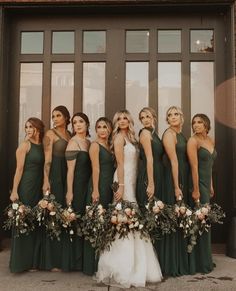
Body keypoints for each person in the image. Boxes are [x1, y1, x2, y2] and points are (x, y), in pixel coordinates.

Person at [96, 110, 162, 288]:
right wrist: (122, 187)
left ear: (129, 121)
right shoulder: (118, 138)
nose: (123, 121)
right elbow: (120, 163)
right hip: (123, 181)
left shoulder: (132, 138)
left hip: (132, 181)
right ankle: (123, 267)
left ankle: (137, 265)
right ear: (116, 121)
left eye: (126, 118)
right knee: (125, 219)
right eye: (119, 118)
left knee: (131, 220)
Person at [9, 117, 45, 273]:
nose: (29, 130)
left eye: (31, 127)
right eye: (26, 127)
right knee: (24, 221)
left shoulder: (42, 145)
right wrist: (15, 190)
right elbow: (19, 169)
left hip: (38, 187)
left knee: (35, 222)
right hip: (26, 186)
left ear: (38, 128)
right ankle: (20, 263)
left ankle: (32, 262)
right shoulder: (25, 145)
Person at [40, 105, 71, 271]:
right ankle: (52, 261)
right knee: (54, 213)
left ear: (66, 117)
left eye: (58, 115)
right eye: (53, 116)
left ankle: (64, 258)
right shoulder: (50, 134)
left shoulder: (70, 134)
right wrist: (46, 180)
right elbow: (47, 159)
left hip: (68, 175)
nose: (55, 118)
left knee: (66, 213)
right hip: (55, 175)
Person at [83, 117, 114, 276]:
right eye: (99, 127)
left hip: (109, 187)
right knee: (96, 221)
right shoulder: (94, 146)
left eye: (105, 127)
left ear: (110, 129)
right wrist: (95, 190)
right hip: (98, 185)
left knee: (106, 223)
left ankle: (104, 261)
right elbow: (95, 169)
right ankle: (91, 264)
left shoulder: (110, 146)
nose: (102, 130)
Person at [136, 107, 165, 271]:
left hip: (158, 174)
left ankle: (154, 260)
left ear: (154, 117)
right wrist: (151, 183)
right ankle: (146, 263)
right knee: (148, 216)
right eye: (142, 117)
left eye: (148, 116)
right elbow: (149, 159)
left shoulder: (154, 133)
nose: (145, 119)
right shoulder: (145, 133)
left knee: (154, 216)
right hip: (149, 176)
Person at [162, 106, 190, 276]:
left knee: (181, 218)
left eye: (176, 114)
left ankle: (181, 259)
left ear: (182, 117)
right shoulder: (169, 134)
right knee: (174, 216)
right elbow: (173, 162)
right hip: (174, 178)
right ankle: (172, 263)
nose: (173, 117)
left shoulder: (181, 134)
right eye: (169, 115)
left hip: (183, 177)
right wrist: (176, 186)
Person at [187, 113, 216, 273]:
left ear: (206, 124)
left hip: (207, 184)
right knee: (199, 220)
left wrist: (211, 185)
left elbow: (210, 166)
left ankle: (205, 258)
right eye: (194, 123)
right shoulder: (193, 141)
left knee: (205, 220)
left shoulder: (210, 140)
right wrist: (197, 189)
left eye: (199, 122)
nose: (196, 125)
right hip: (197, 184)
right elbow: (194, 167)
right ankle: (197, 262)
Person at [65, 112, 91, 271]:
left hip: (87, 186)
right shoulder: (73, 143)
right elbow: (70, 171)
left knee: (84, 219)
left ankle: (82, 259)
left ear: (87, 124)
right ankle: (74, 261)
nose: (78, 125)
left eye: (81, 121)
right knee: (76, 220)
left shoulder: (88, 142)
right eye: (75, 123)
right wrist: (69, 192)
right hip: (77, 186)